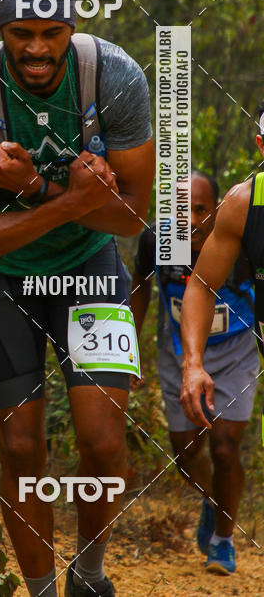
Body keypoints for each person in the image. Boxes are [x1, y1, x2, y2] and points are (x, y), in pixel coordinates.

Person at [0, 0, 155, 597]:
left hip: (89, 266)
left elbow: (133, 216)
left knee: (104, 441)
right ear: (1, 27)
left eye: (50, 33)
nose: (35, 47)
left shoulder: (115, 78)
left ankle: (88, 577)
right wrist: (70, 199)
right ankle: (40, 592)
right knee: (23, 450)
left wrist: (31, 184)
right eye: (20, 32)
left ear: (72, 24)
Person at [131, 171, 258, 575]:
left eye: (200, 209)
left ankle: (223, 540)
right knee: (186, 452)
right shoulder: (155, 241)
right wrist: (129, 346)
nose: (189, 219)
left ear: (217, 210)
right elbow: (140, 289)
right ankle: (211, 499)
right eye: (178, 210)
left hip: (236, 352)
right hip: (179, 352)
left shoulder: (240, 238)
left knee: (224, 448)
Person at [180, 101, 264, 575]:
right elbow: (201, 284)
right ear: (260, 146)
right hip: (240, 346)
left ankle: (224, 537)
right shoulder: (243, 204)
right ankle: (218, 518)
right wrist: (193, 363)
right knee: (198, 449)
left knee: (227, 449)